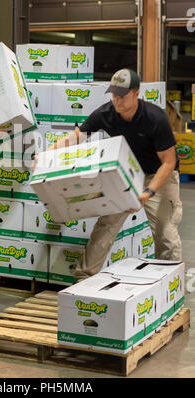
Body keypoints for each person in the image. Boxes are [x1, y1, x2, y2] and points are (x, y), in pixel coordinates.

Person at [38, 68, 182, 280]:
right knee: (107, 224)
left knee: (165, 232)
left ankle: (170, 283)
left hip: (158, 175)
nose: (117, 100)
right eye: (114, 94)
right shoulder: (105, 113)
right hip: (128, 172)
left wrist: (149, 192)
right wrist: (45, 156)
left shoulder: (155, 118)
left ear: (136, 92)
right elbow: (77, 137)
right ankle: (84, 278)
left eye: (122, 95)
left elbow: (168, 162)